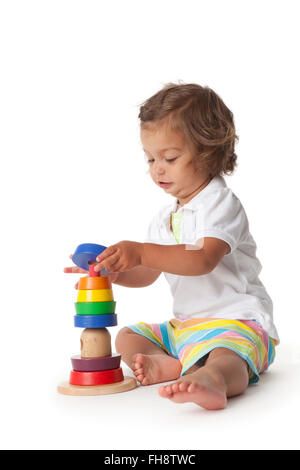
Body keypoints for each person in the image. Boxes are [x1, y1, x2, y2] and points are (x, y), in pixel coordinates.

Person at [64, 82, 279, 410]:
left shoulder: (219, 204)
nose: (157, 169)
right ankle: (173, 365)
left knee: (227, 354)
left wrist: (141, 250)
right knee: (127, 338)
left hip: (236, 321)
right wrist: (116, 273)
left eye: (170, 157)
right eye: (150, 158)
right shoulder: (166, 217)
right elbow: (149, 271)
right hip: (186, 327)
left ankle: (214, 379)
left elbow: (202, 259)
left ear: (208, 152)